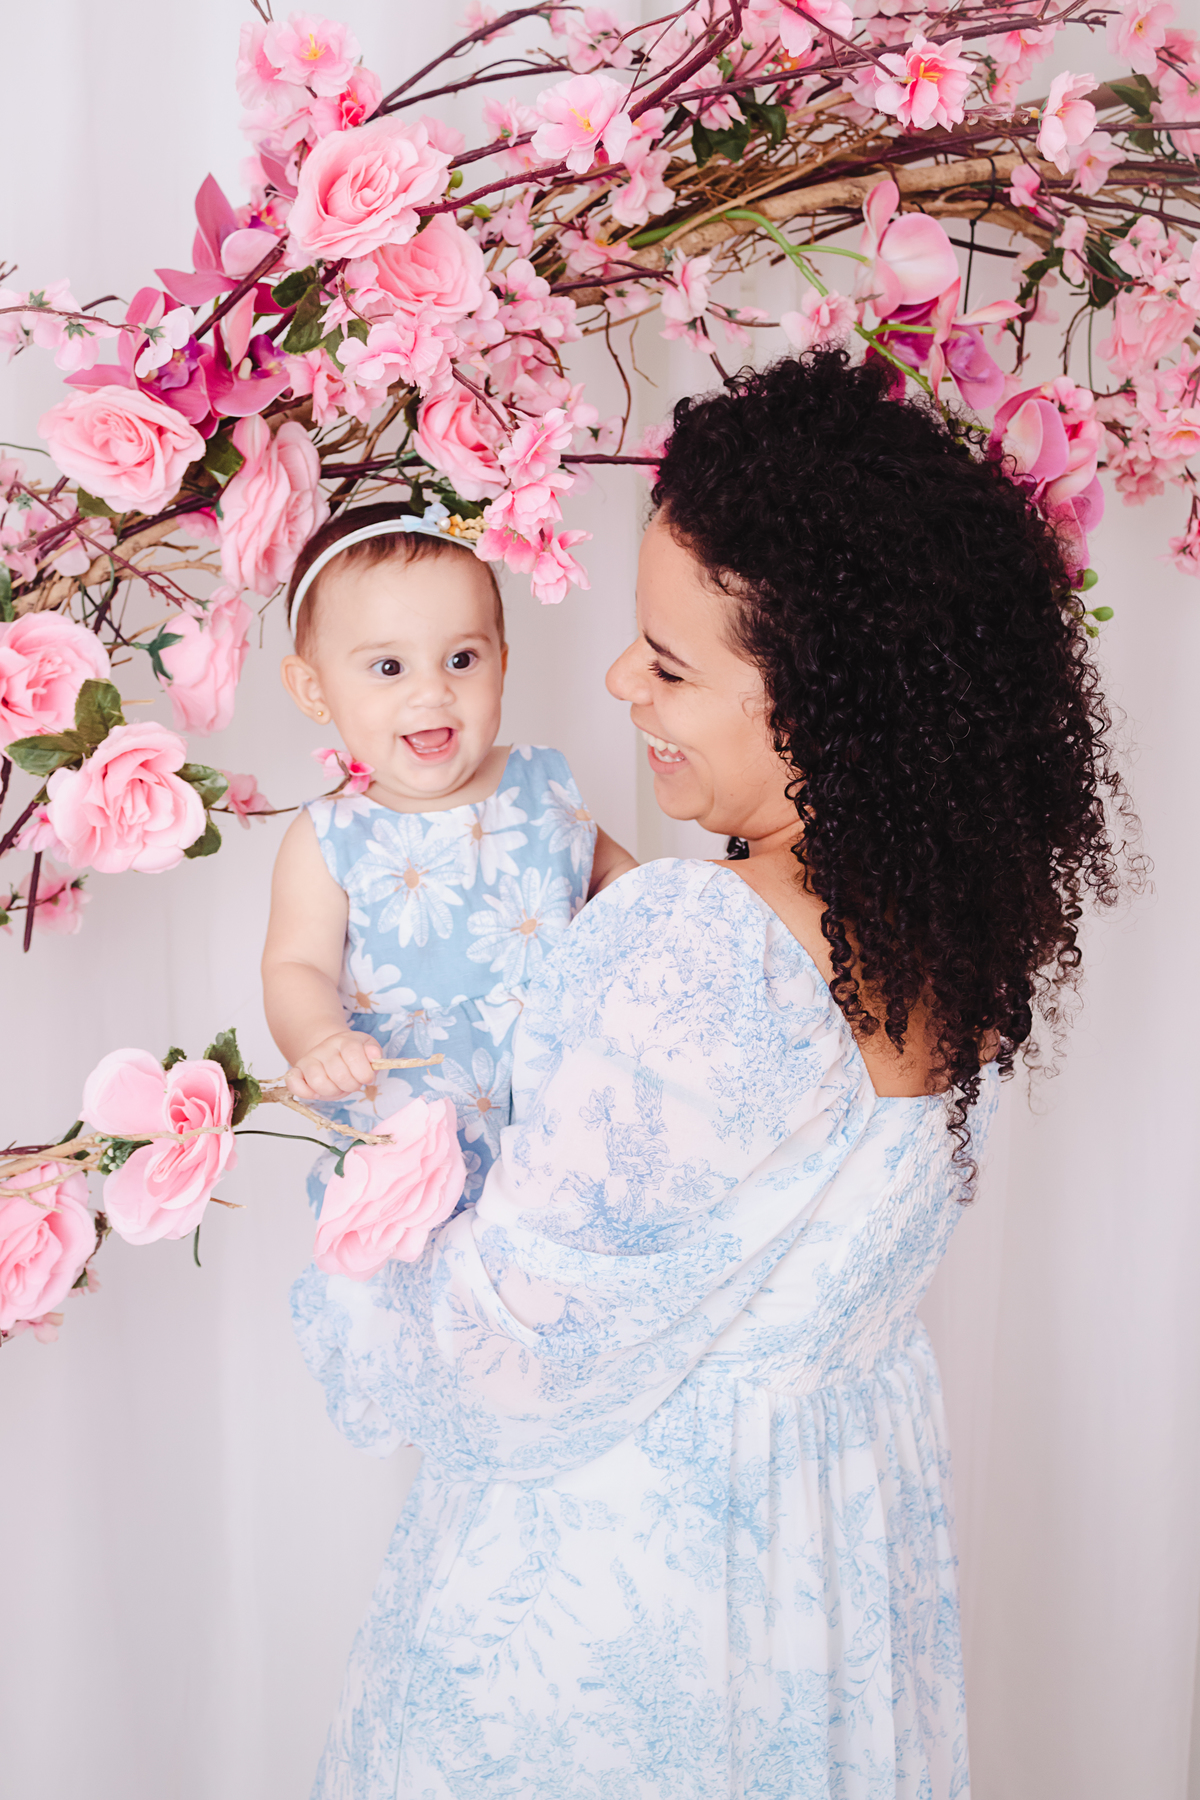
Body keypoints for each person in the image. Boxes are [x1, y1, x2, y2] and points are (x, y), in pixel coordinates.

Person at [291, 353, 1130, 1798]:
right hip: (827, 1589)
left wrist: (368, 1212)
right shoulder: (940, 919)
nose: (618, 682)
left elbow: (503, 1367)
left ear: (821, 704)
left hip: (620, 1624)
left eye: (669, 663)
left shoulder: (697, 947)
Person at [261, 500, 636, 1208]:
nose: (432, 691)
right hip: (413, 1128)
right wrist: (318, 1038)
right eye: (389, 667)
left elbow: (615, 874)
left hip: (567, 1111)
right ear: (315, 689)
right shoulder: (329, 838)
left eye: (461, 659)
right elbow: (295, 965)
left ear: (501, 661)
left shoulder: (540, 782)